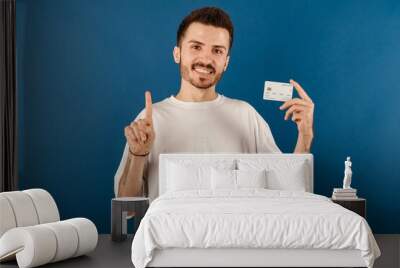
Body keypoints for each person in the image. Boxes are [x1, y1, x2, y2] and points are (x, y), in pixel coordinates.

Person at [114, 7, 315, 205]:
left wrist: (305, 137)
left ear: (226, 62)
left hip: (237, 236)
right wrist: (138, 154)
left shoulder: (245, 115)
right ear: (177, 53)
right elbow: (127, 208)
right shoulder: (151, 120)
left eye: (217, 51)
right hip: (170, 238)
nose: (206, 59)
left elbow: (288, 191)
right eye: (196, 46)